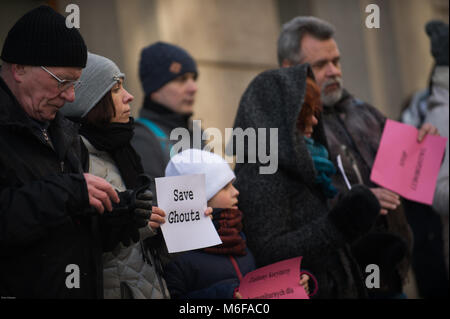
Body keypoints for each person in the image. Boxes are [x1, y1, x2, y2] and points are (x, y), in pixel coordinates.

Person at [276, 16, 441, 298]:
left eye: (336, 61)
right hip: (338, 285)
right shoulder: (280, 130)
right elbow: (290, 216)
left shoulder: (363, 111)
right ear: (289, 70)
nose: (333, 72)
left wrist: (423, 145)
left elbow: (403, 179)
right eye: (320, 65)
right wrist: (361, 203)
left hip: (390, 275)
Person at [0, 6, 140, 298]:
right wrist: (65, 193)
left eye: (75, 84)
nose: (71, 96)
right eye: (62, 81)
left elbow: (67, 234)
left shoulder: (62, 130)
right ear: (19, 69)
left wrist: (119, 216)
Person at [232, 64, 381, 298]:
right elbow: (268, 252)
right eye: (303, 112)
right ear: (277, 117)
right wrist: (339, 225)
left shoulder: (308, 164)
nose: (313, 120)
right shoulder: (261, 172)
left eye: (315, 111)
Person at [60, 52, 170, 299]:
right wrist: (137, 224)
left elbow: (145, 252)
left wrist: (185, 222)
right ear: (91, 101)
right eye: (116, 88)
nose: (129, 95)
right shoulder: (74, 158)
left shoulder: (121, 149)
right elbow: (79, 245)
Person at [163, 149, 311, 299]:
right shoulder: (177, 256)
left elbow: (255, 283)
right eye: (225, 187)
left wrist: (292, 283)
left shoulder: (237, 237)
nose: (236, 192)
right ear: (201, 198)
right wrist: (226, 296)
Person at [132, 42, 201, 180]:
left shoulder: (197, 132)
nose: (193, 88)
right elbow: (151, 198)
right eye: (181, 79)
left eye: (193, 78)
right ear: (154, 90)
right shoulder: (140, 137)